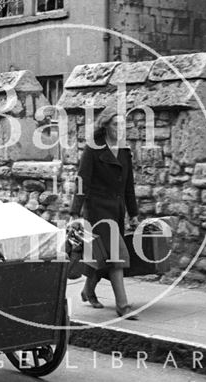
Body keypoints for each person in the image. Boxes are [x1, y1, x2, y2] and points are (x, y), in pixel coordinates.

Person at [69, 106, 140, 320]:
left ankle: (87, 290)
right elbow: (82, 181)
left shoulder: (125, 152)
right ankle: (123, 306)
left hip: (116, 211)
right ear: (106, 126)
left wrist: (133, 213)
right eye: (116, 124)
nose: (121, 129)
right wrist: (75, 213)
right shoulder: (94, 149)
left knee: (104, 255)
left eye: (123, 125)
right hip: (98, 211)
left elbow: (128, 186)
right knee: (118, 256)